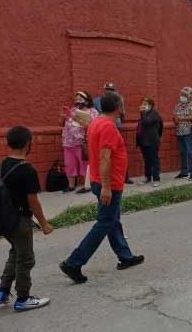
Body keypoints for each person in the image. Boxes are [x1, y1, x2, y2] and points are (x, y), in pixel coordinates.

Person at [60, 92, 144, 284]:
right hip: (108, 183)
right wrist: (107, 187)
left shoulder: (98, 122)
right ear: (118, 107)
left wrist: (74, 116)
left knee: (112, 220)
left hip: (101, 180)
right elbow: (105, 158)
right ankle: (73, 262)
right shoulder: (108, 127)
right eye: (122, 104)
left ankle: (125, 256)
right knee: (105, 222)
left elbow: (87, 122)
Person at [0, 126, 53, 311]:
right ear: (28, 144)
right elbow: (33, 201)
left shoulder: (2, 165)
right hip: (20, 221)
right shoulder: (27, 170)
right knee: (26, 259)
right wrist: (44, 223)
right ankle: (23, 298)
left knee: (15, 252)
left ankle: (3, 291)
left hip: (5, 220)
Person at [93, 83, 132, 184]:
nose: (109, 91)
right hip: (105, 127)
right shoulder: (97, 100)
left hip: (116, 127)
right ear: (104, 90)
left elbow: (123, 115)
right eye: (108, 89)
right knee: (107, 154)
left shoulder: (118, 99)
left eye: (111, 89)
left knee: (119, 151)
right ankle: (108, 178)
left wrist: (118, 120)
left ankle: (124, 176)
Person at [60, 91, 98, 193]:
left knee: (84, 164)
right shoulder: (73, 110)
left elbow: (91, 127)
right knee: (69, 164)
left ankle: (87, 186)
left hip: (81, 143)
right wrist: (62, 116)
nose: (77, 101)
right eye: (76, 99)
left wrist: (76, 118)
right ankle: (71, 186)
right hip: (68, 142)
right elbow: (61, 124)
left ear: (87, 101)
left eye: (80, 99)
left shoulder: (93, 112)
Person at [136, 97, 163, 187]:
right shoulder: (144, 114)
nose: (143, 106)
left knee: (154, 160)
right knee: (146, 160)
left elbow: (146, 122)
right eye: (142, 103)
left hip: (152, 141)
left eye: (145, 104)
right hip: (143, 141)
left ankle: (156, 179)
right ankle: (147, 177)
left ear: (150, 105)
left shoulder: (154, 113)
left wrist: (142, 112)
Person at [174, 87, 192, 180]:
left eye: (184, 95)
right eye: (182, 94)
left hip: (189, 131)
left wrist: (181, 118)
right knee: (182, 152)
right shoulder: (178, 106)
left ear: (190, 96)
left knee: (190, 152)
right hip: (179, 131)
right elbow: (175, 116)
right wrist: (176, 120)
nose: (182, 96)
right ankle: (184, 172)